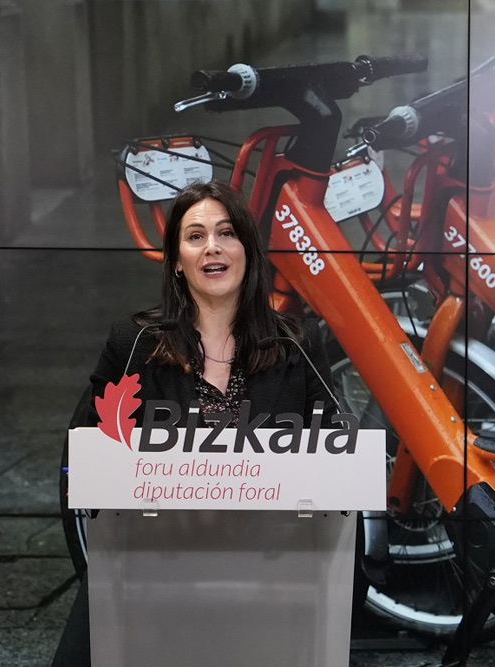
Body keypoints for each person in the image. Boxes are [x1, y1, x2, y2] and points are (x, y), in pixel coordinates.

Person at [51, 180, 338, 666]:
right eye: (195, 236)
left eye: (226, 233)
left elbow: (333, 460)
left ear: (248, 251)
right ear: (177, 262)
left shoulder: (298, 345)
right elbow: (85, 460)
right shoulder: (133, 344)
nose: (212, 247)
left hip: (270, 567)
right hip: (153, 565)